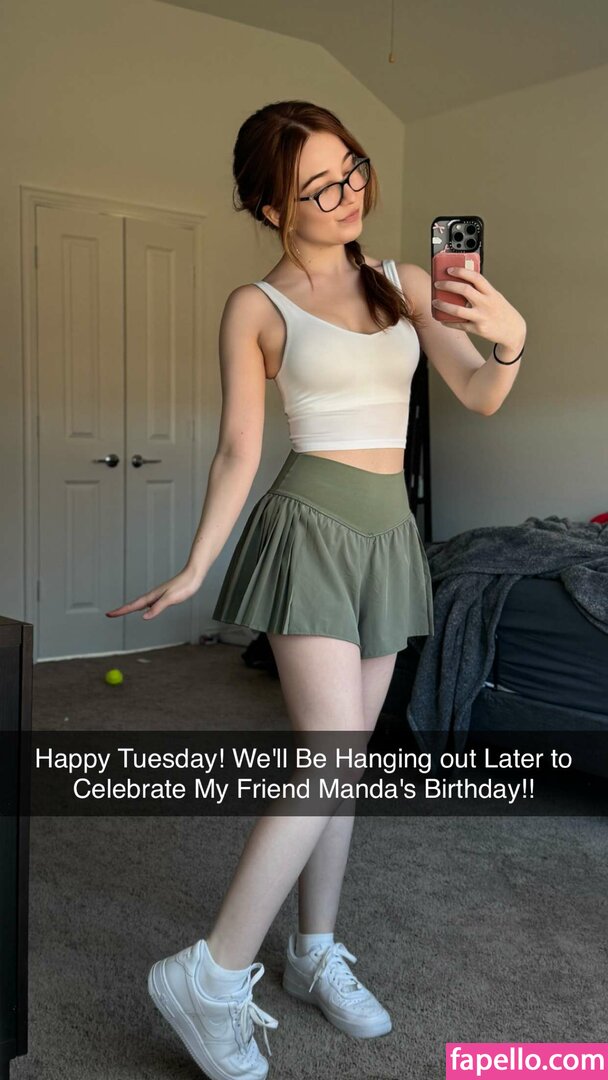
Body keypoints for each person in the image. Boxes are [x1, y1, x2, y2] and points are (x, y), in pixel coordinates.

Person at [106, 101, 526, 1080]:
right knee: (330, 754)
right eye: (318, 187)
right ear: (270, 206)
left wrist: (508, 336)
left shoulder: (404, 283)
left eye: (353, 170)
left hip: (388, 532)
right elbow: (237, 450)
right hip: (310, 526)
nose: (348, 195)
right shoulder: (256, 307)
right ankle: (210, 976)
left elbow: (479, 392)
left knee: (345, 759)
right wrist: (198, 563)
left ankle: (311, 951)